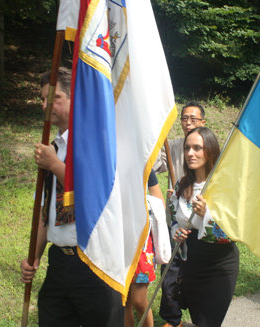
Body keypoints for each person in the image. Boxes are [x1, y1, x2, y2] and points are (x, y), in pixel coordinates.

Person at [20, 67, 124, 326]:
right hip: (59, 263)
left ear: (74, 98)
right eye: (43, 98)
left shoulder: (97, 143)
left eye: (54, 98)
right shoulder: (52, 149)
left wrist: (54, 165)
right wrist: (35, 255)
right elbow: (47, 211)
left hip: (94, 261)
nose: (45, 104)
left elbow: (94, 196)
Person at [171, 127, 239, 327]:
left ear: (209, 150)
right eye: (187, 148)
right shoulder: (180, 185)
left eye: (197, 148)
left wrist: (206, 215)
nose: (190, 153)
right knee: (198, 319)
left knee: (208, 323)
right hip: (191, 265)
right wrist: (177, 233)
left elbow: (233, 230)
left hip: (219, 265)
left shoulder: (225, 185)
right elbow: (175, 220)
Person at [154, 101, 206, 327]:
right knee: (169, 272)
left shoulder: (209, 147)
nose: (188, 122)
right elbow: (154, 166)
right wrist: (157, 138)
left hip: (199, 223)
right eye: (185, 118)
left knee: (196, 276)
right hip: (174, 222)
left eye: (193, 119)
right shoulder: (172, 145)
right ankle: (172, 319)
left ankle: (200, 317)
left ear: (203, 122)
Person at [124, 170, 165, 327]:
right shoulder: (107, 162)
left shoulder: (144, 165)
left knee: (139, 301)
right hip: (116, 240)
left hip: (141, 242)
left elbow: (159, 202)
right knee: (123, 302)